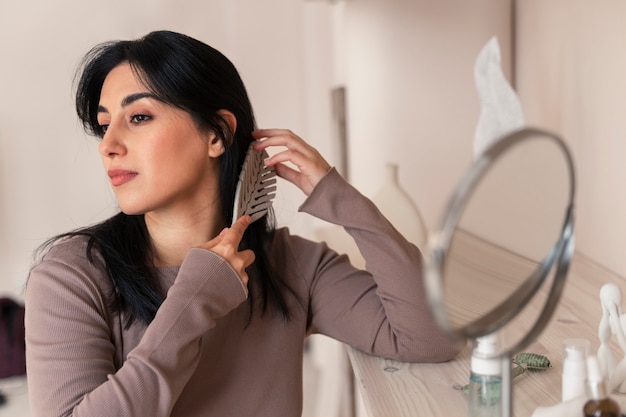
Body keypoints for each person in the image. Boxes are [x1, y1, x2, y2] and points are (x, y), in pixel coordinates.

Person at [25, 30, 463, 417]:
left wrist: (341, 198)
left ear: (216, 133)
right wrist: (195, 299)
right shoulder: (71, 277)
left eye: (138, 117)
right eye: (104, 126)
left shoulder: (292, 265)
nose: (109, 146)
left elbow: (428, 339)